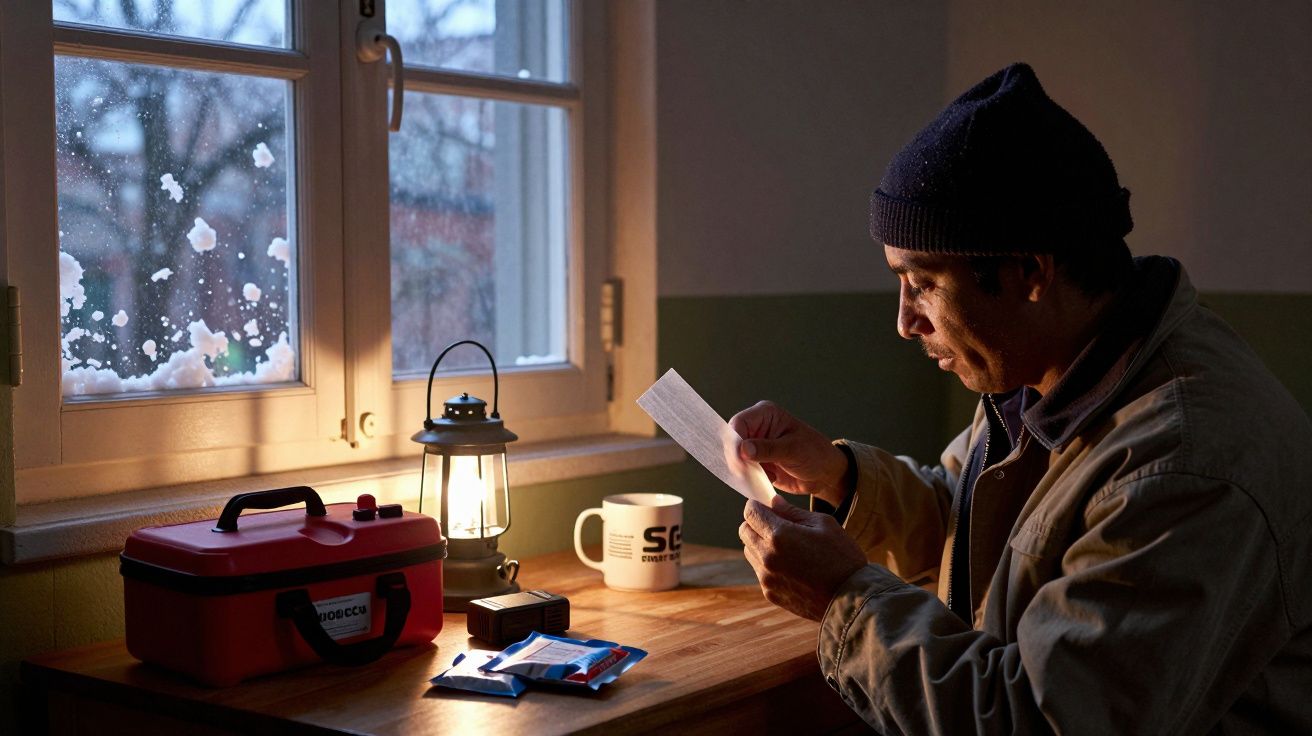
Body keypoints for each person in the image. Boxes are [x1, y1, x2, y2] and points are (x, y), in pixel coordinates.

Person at [732, 62, 1312, 734]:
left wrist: (844, 597)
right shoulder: (1052, 374)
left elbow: (1040, 720)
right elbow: (969, 524)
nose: (905, 322)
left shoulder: (1186, 463)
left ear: (1029, 272)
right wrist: (838, 479)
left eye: (922, 282)